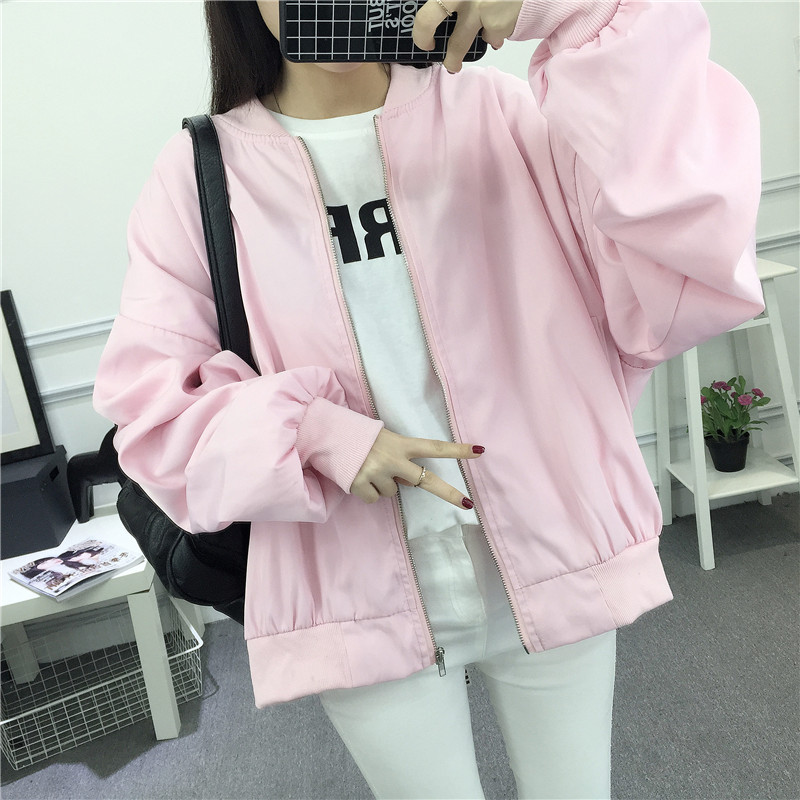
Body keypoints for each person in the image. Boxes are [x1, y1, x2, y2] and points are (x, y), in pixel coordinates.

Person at [93, 0, 764, 797]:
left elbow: (681, 232)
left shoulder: (501, 117)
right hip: (353, 584)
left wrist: (560, 9)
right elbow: (152, 408)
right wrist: (314, 434)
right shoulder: (199, 173)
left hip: (552, 540)